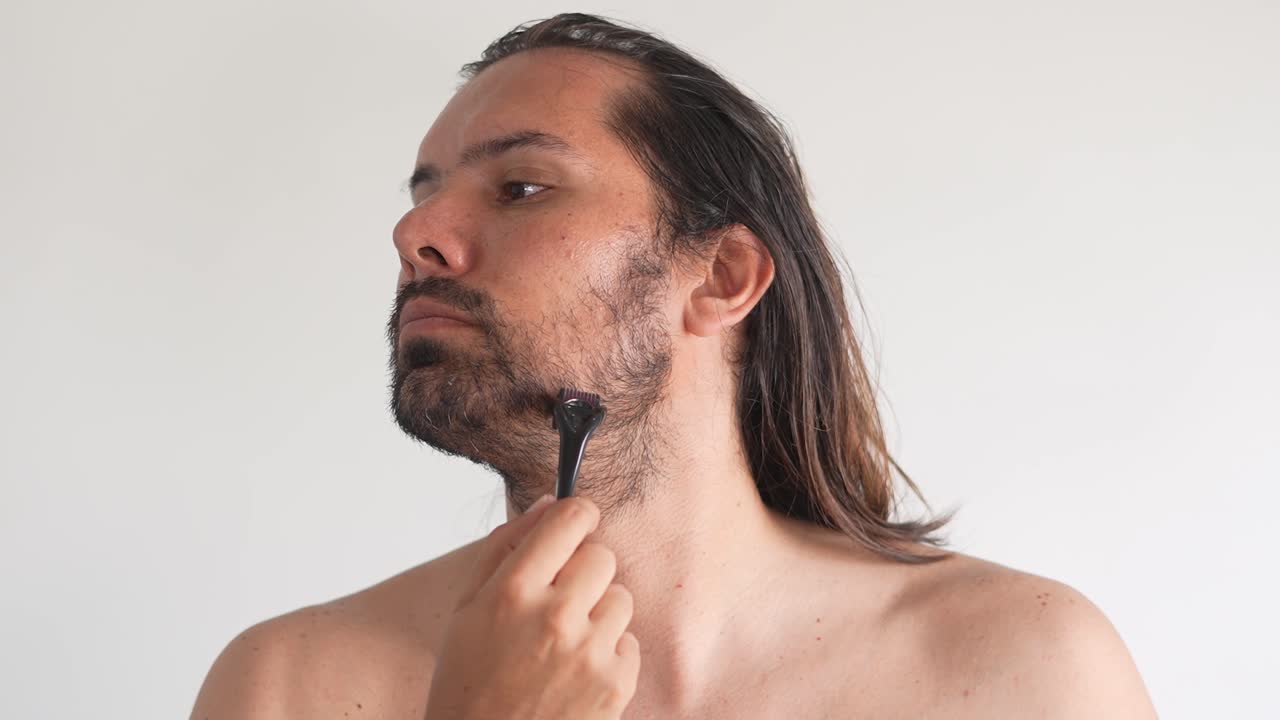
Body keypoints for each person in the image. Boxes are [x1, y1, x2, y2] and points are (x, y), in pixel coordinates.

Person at [191, 13, 1156, 719]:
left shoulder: (1024, 672)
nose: (416, 234)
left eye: (520, 187)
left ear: (722, 276)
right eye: (424, 195)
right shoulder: (289, 688)